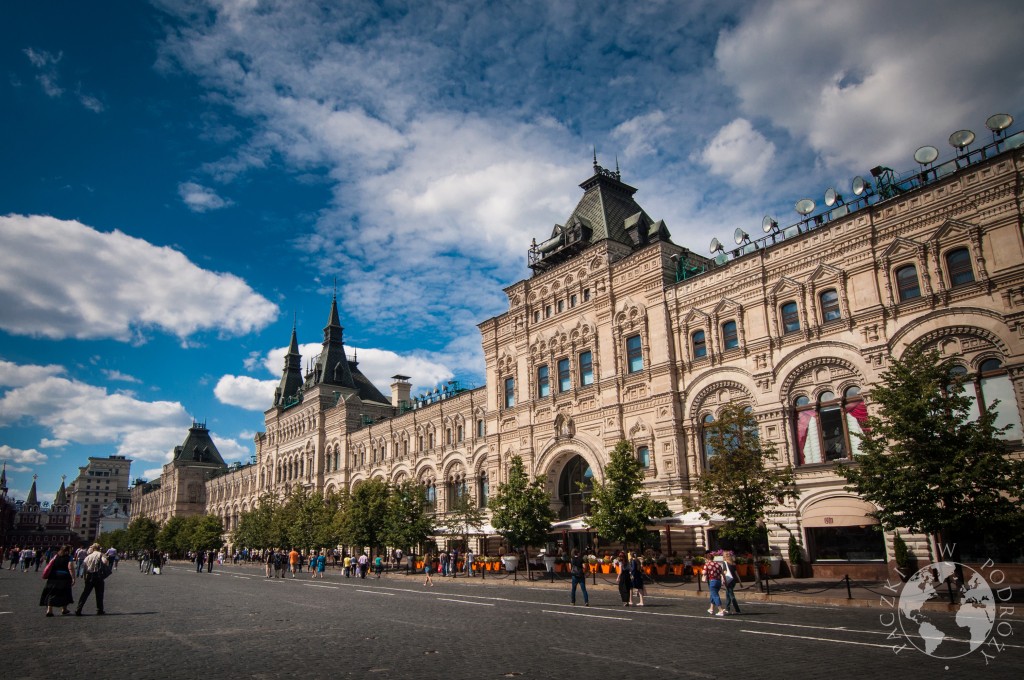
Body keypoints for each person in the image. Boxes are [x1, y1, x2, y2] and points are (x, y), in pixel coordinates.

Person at [40, 545, 75, 617]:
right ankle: (64, 609)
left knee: (51, 592)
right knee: (65, 592)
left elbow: (50, 564)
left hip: (53, 576)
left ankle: (49, 610)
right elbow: (70, 567)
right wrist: (73, 578)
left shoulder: (55, 556)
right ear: (68, 550)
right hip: (64, 577)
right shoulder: (69, 557)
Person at [75, 543, 109, 616]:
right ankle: (100, 610)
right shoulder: (100, 555)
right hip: (98, 576)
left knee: (85, 593)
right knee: (99, 594)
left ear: (93, 548)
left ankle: (78, 609)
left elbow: (84, 566)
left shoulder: (89, 556)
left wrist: (84, 576)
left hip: (89, 576)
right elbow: (105, 562)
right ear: (99, 548)